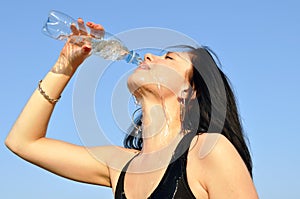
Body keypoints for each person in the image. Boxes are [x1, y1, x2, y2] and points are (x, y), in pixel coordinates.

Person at [5, 18, 259, 199]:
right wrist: (65, 66)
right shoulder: (119, 165)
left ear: (190, 91)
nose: (149, 55)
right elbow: (22, 142)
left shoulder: (208, 151)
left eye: (169, 58)